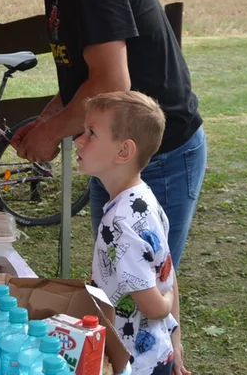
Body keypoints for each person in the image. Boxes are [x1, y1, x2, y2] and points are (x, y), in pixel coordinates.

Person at [0, 0, 205, 269]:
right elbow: (83, 76)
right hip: (113, 153)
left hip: (157, 156)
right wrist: (49, 118)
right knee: (113, 279)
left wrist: (50, 134)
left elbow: (112, 83)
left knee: (146, 290)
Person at [75, 91, 188, 375]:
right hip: (156, 353)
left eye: (91, 133)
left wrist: (166, 304)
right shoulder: (144, 199)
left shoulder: (120, 224)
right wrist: (176, 343)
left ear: (123, 151)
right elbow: (167, 272)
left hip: (136, 364)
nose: (79, 139)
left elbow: (154, 305)